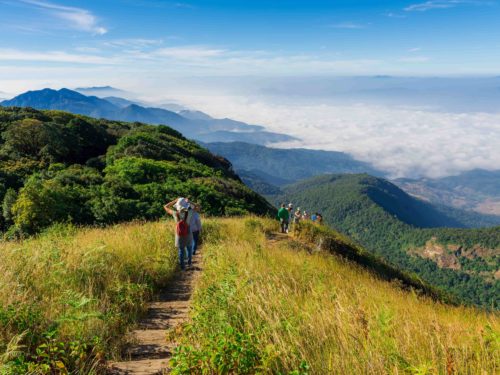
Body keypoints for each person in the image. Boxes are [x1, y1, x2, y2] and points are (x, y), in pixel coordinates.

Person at [164, 197, 194, 270]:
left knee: (181, 250)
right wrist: (189, 202)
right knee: (189, 248)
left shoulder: (175, 213)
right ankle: (189, 263)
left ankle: (182, 267)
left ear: (177, 205)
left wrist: (175, 200)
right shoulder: (189, 212)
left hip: (179, 234)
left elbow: (165, 206)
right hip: (188, 232)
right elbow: (198, 206)